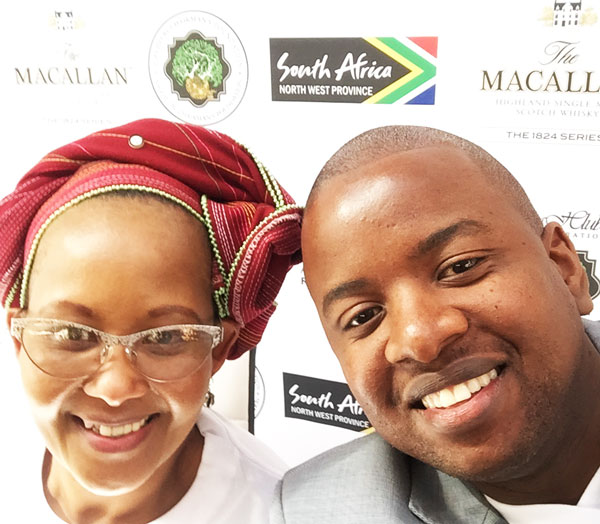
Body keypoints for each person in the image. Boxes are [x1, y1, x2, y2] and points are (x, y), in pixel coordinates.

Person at [271, 125, 600, 523]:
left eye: (460, 267)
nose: (419, 339)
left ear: (565, 269)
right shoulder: (313, 512)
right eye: (363, 316)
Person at [0, 118, 302, 523]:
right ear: (19, 339)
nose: (115, 388)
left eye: (165, 338)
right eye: (72, 333)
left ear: (218, 350)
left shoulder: (276, 513)